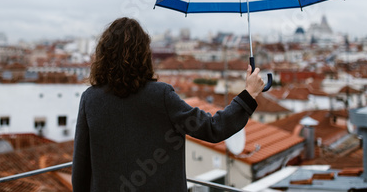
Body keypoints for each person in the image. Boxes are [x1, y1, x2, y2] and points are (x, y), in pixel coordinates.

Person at [72, 17, 264, 191]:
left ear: (104, 55)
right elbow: (213, 128)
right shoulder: (160, 96)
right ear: (144, 55)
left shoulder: (90, 99)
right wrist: (249, 94)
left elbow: (80, 168)